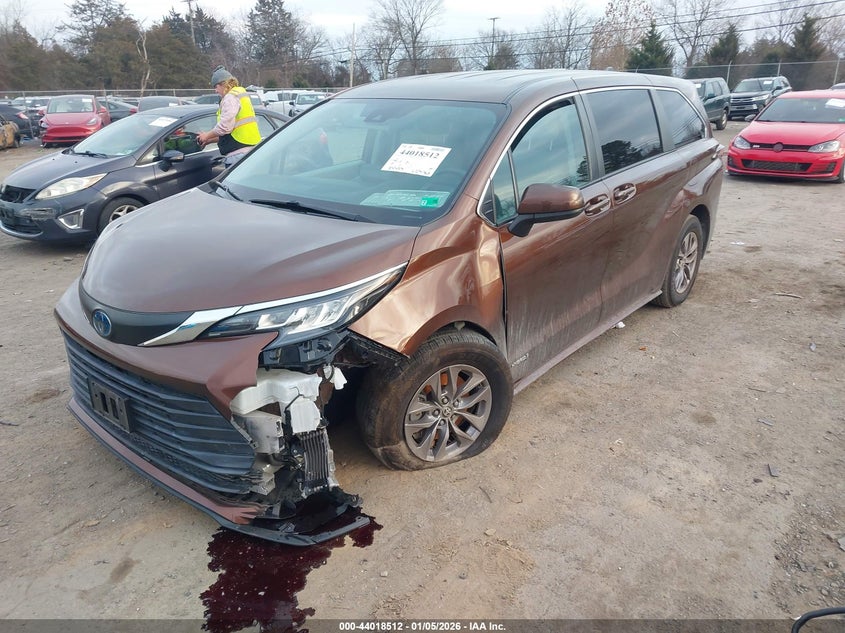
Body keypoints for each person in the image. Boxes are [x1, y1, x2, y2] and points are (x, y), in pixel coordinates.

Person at [197, 66, 261, 166]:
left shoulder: (230, 97)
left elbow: (224, 127)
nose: (215, 91)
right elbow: (232, 133)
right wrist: (208, 140)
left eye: (215, 86)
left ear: (223, 84)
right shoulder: (240, 94)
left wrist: (206, 135)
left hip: (237, 157)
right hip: (249, 152)